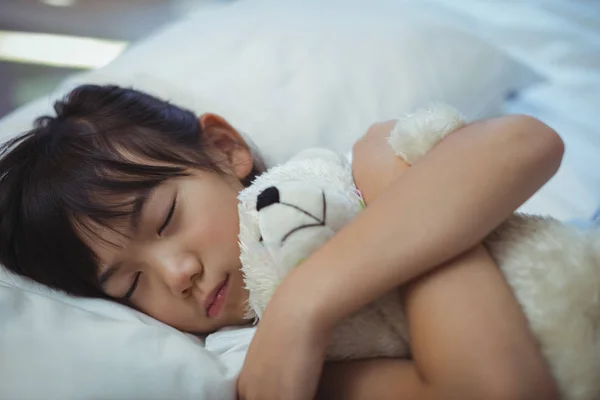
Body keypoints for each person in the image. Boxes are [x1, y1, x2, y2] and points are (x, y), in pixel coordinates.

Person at [0, 84, 563, 400]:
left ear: (223, 149)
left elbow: (527, 140)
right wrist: (393, 180)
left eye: (166, 217)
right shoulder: (257, 364)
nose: (177, 274)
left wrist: (305, 301)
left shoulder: (334, 182)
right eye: (131, 285)